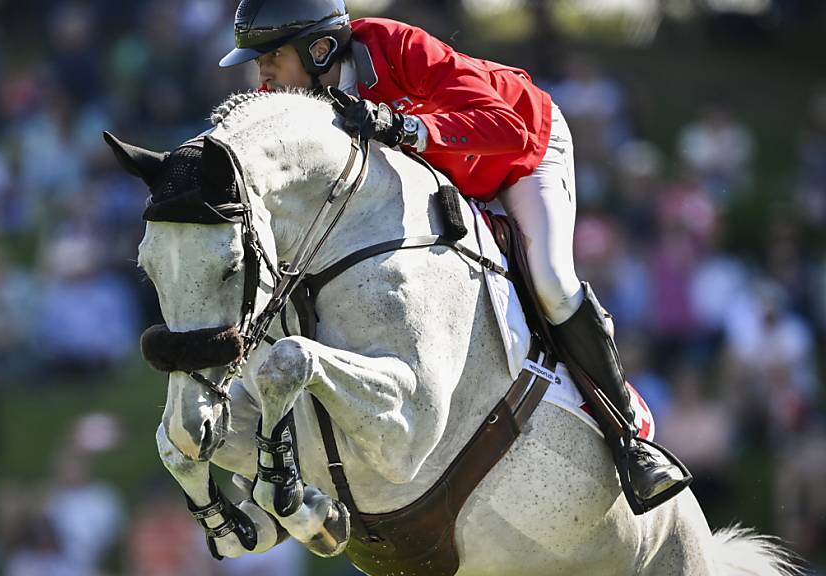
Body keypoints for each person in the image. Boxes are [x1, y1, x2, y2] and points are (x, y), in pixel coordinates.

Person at [218, 0, 688, 513]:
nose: (260, 72)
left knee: (551, 281)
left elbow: (506, 128)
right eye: (256, 58)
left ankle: (630, 435)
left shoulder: (396, 48)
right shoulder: (283, 99)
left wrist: (406, 127)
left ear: (321, 48)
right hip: (443, 177)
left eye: (270, 56)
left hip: (521, 151)